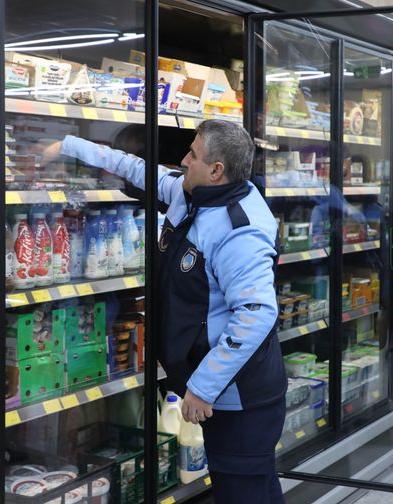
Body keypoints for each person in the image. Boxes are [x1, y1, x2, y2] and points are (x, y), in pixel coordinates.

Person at [43, 120, 287, 503]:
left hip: (239, 396)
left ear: (216, 170)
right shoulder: (192, 191)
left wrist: (204, 387)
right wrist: (69, 144)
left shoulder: (240, 229)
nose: (183, 159)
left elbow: (255, 315)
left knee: (243, 489)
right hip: (217, 384)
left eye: (192, 154)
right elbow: (135, 168)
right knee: (250, 487)